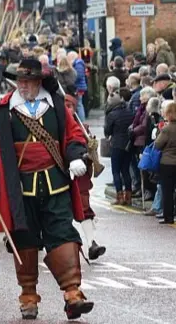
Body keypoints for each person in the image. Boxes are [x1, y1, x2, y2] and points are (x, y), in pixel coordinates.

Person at [0, 58, 93, 321]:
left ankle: (73, 294)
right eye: (20, 81)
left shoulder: (57, 106)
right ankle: (28, 296)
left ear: (39, 82)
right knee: (24, 240)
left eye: (28, 81)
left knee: (62, 233)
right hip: (20, 188)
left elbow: (73, 135)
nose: (22, 86)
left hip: (55, 183)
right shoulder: (4, 111)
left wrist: (76, 156)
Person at [64, 93, 106, 260]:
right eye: (65, 106)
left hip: (80, 178)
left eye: (70, 106)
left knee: (84, 210)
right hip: (59, 175)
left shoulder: (83, 129)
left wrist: (90, 152)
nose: (68, 109)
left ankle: (91, 244)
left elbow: (90, 157)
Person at [104, 88, 134, 206]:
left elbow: (108, 130)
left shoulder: (111, 114)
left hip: (116, 145)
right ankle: (129, 197)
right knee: (126, 171)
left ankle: (120, 197)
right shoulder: (129, 112)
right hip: (128, 145)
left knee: (116, 171)